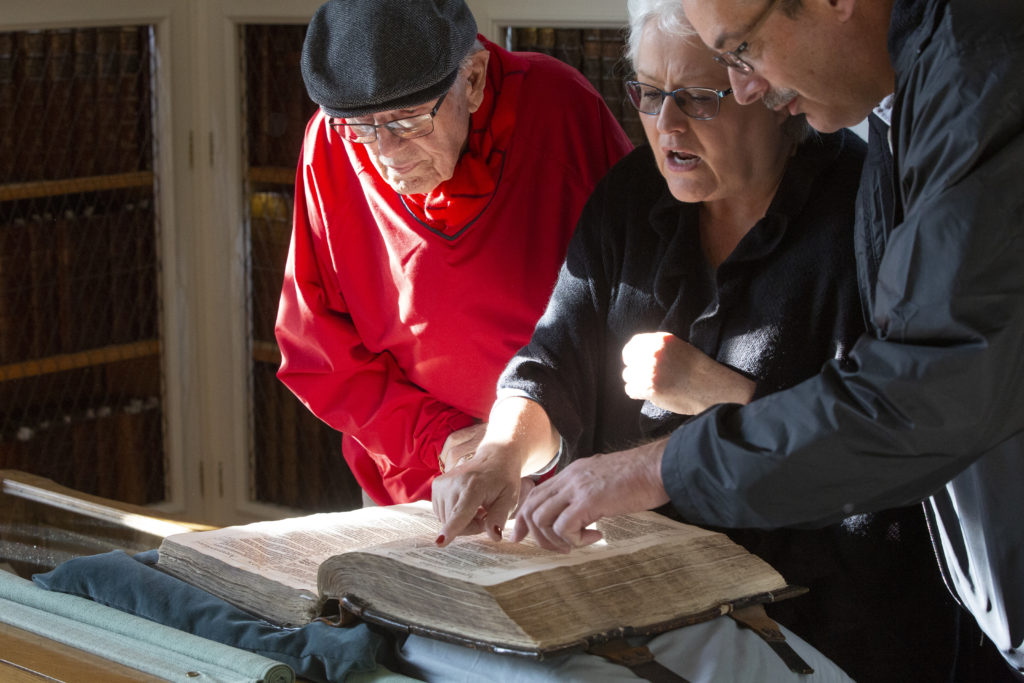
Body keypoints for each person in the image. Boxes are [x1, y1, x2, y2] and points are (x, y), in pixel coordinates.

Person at [479, 0, 1024, 678]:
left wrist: (679, 438)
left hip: (837, 632)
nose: (667, 123)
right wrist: (502, 448)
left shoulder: (933, 118)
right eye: (648, 94)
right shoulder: (631, 196)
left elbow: (905, 418)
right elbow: (555, 358)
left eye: (710, 85)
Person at [275, 0, 632, 506]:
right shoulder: (331, 144)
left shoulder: (558, 106)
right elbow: (316, 349)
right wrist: (439, 438)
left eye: (408, 121)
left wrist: (522, 441)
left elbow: (639, 297)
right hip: (415, 478)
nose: (386, 154)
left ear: (473, 78)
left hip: (564, 476)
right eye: (363, 127)